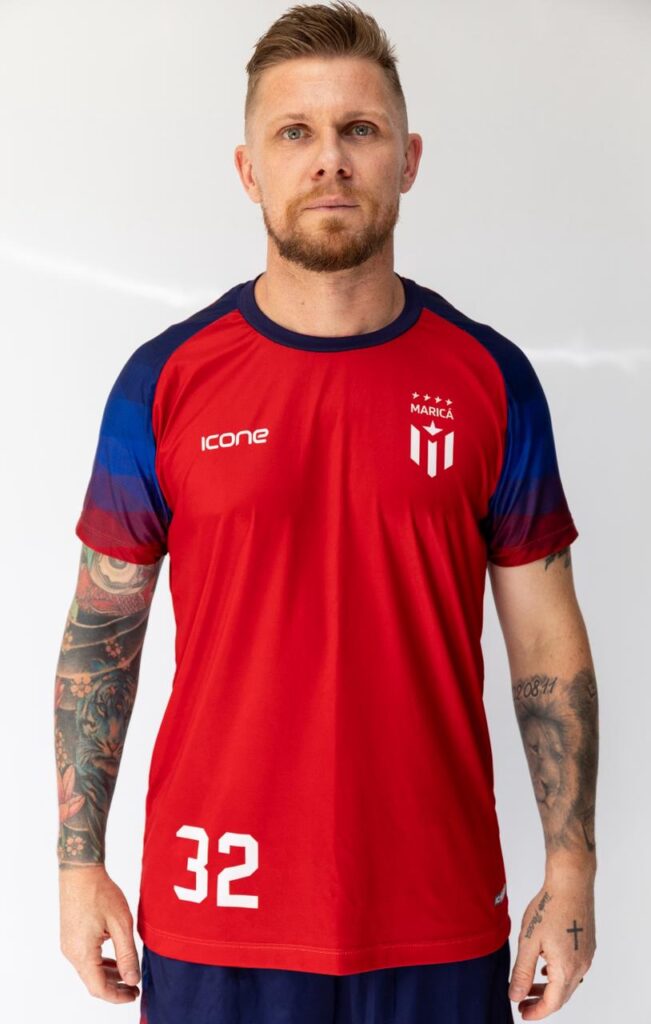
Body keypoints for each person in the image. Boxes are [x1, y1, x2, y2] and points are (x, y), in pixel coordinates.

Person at [54, 2, 598, 1021]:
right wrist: (78, 864)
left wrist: (570, 870)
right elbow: (100, 634)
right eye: (294, 132)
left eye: (360, 129)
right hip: (217, 910)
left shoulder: (490, 380)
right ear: (248, 169)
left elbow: (544, 644)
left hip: (433, 912)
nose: (329, 160)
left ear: (408, 159)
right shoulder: (163, 383)